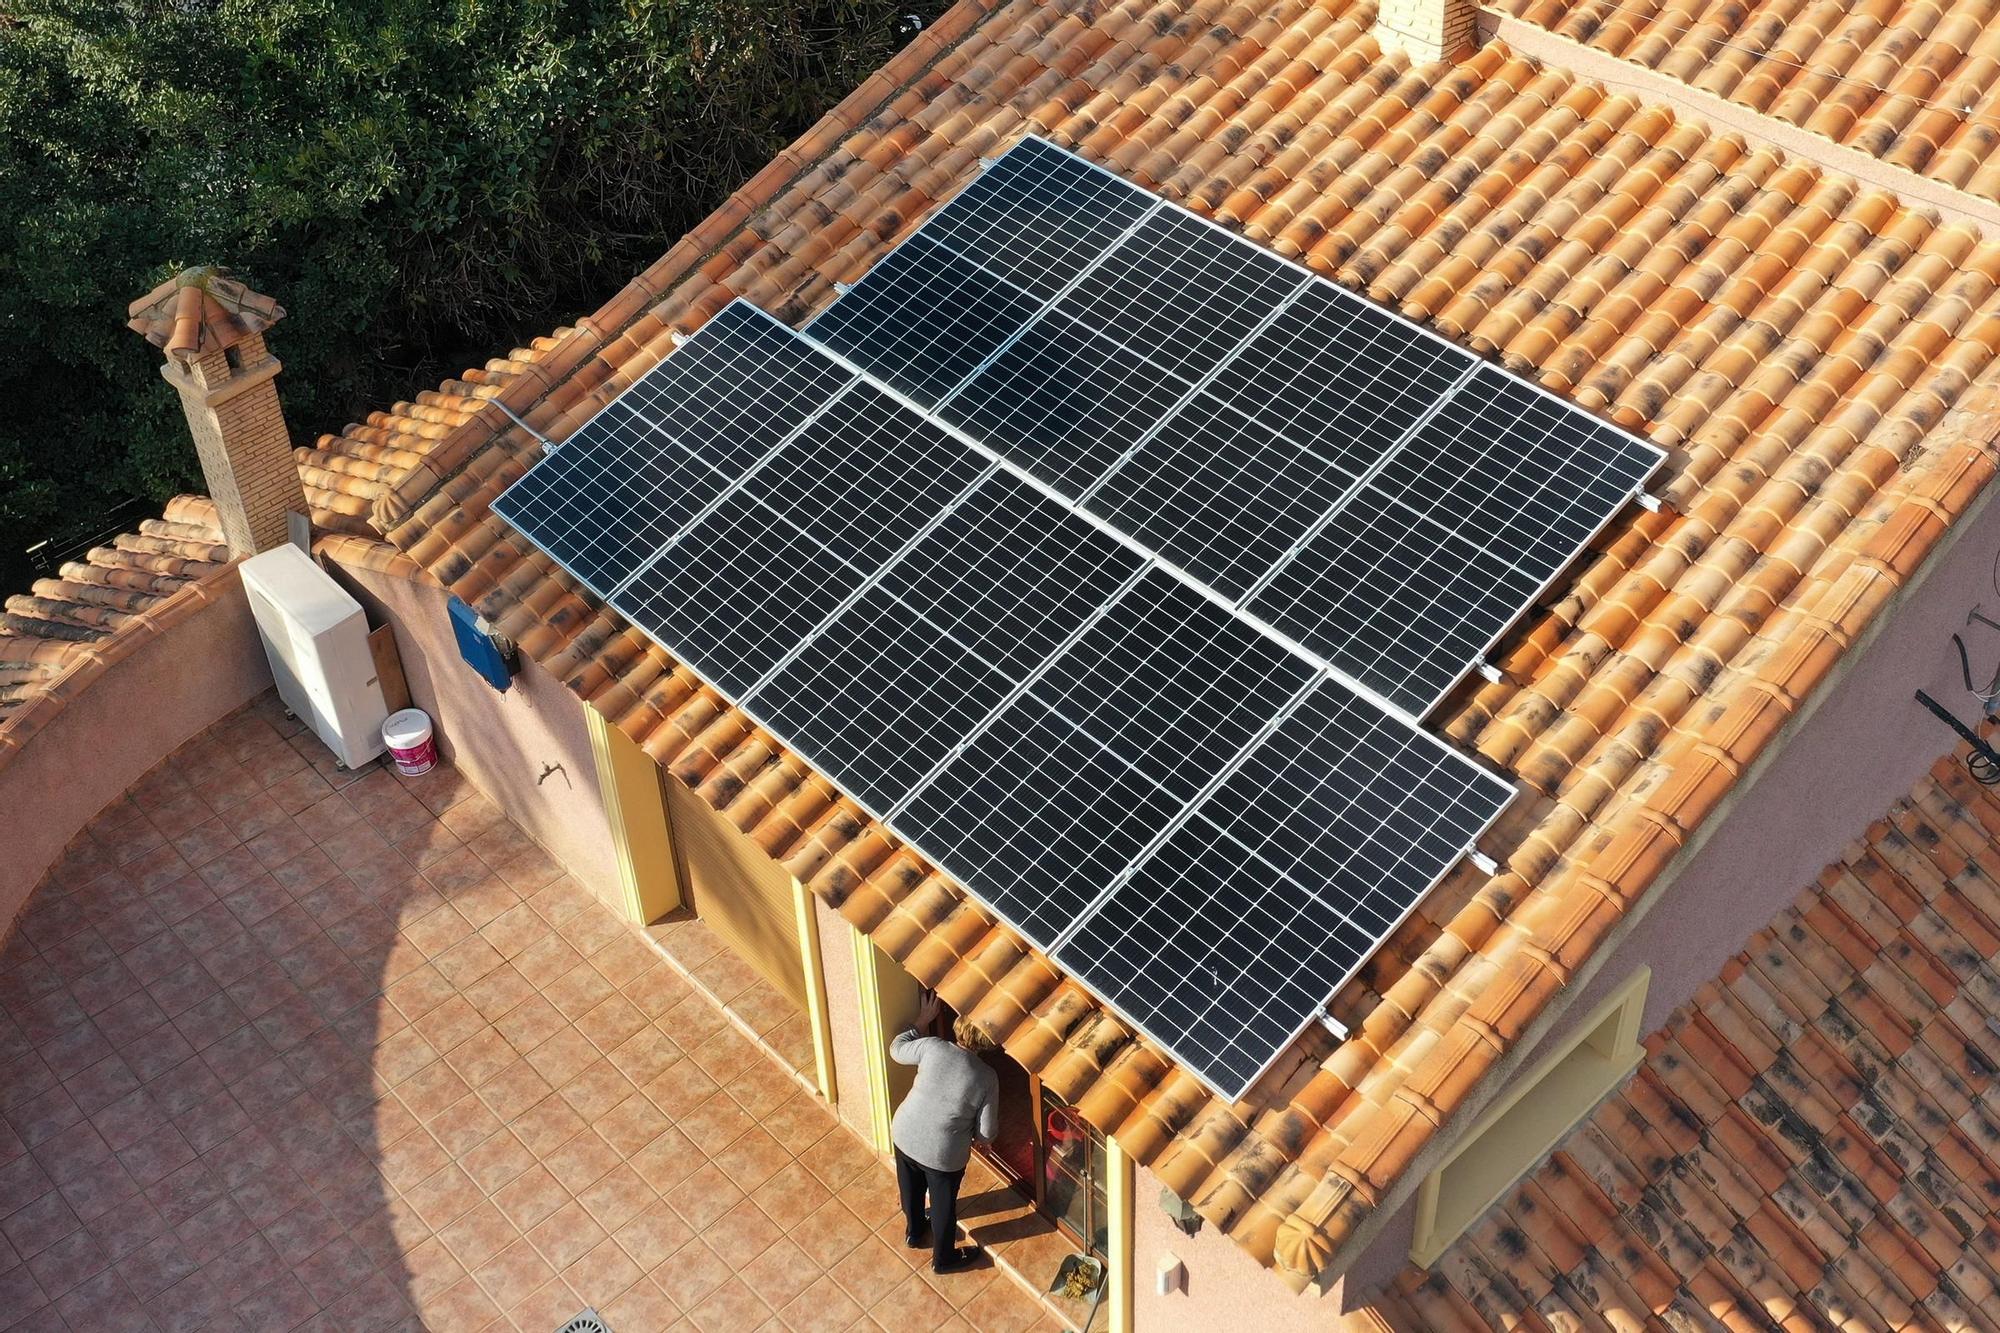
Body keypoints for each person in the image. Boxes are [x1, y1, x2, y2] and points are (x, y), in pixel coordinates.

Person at [889, 992, 1000, 1275]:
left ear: (958, 1024)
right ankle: (944, 1259)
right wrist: (980, 1140)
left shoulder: (933, 1047)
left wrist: (921, 1022)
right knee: (942, 1206)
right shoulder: (986, 1077)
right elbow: (986, 1130)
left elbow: (896, 1049)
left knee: (910, 1188)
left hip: (904, 1131)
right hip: (943, 1153)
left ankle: (914, 1233)